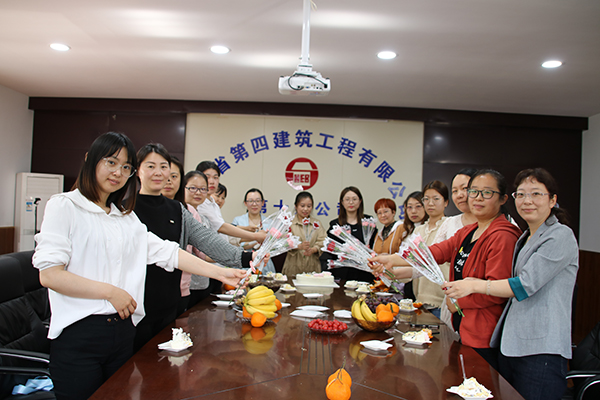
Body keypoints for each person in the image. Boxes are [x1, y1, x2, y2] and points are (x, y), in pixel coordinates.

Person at [32, 132, 246, 400]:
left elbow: (167, 252)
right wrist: (111, 292)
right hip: (81, 335)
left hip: (122, 333)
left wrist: (222, 273)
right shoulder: (64, 206)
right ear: (90, 159)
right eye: (111, 162)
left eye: (125, 167)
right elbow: (50, 275)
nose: (118, 173)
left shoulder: (124, 217)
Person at [443, 168, 578, 400]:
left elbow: (523, 285)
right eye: (521, 194)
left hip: (541, 348)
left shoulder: (560, 235)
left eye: (536, 194)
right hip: (511, 344)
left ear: (552, 199)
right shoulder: (525, 237)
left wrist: (474, 285)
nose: (527, 201)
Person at [370, 169, 522, 369]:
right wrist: (392, 259)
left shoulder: (503, 235)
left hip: (483, 333)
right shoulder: (469, 231)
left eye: (487, 192)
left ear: (503, 198)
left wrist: (457, 301)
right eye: (473, 191)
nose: (477, 198)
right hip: (460, 325)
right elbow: (434, 252)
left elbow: (497, 290)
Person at [133, 145, 260, 351]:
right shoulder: (126, 208)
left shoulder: (177, 209)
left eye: (163, 167)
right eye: (150, 166)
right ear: (138, 170)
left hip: (170, 302)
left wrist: (246, 257)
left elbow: (206, 239)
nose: (158, 172)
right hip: (136, 306)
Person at [195, 161, 266, 243]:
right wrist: (255, 236)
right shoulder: (200, 203)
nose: (212, 182)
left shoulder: (213, 203)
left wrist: (251, 232)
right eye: (207, 177)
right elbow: (221, 227)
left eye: (215, 177)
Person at [320, 186, 377, 282]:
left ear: (360, 201)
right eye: (347, 199)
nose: (351, 202)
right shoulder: (335, 225)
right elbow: (330, 250)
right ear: (342, 202)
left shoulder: (368, 223)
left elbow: (375, 247)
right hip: (342, 274)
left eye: (354, 199)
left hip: (365, 274)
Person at [410, 180, 449, 318]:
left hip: (442, 301)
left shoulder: (450, 226)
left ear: (446, 202)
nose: (430, 203)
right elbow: (412, 263)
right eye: (426, 199)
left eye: (436, 199)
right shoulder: (419, 230)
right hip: (420, 300)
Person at [282, 191, 327, 277]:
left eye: (309, 206)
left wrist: (313, 249)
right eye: (302, 206)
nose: (306, 209)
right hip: (293, 265)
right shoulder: (289, 223)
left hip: (312, 266)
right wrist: (298, 246)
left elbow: (323, 241)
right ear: (296, 206)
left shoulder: (316, 223)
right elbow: (283, 241)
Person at [232, 188, 276, 274]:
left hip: (264, 264)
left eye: (257, 201)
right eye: (251, 201)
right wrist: (255, 242)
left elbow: (273, 245)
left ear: (263, 203)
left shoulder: (269, 222)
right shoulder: (238, 221)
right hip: (244, 263)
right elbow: (234, 244)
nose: (254, 204)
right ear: (245, 203)